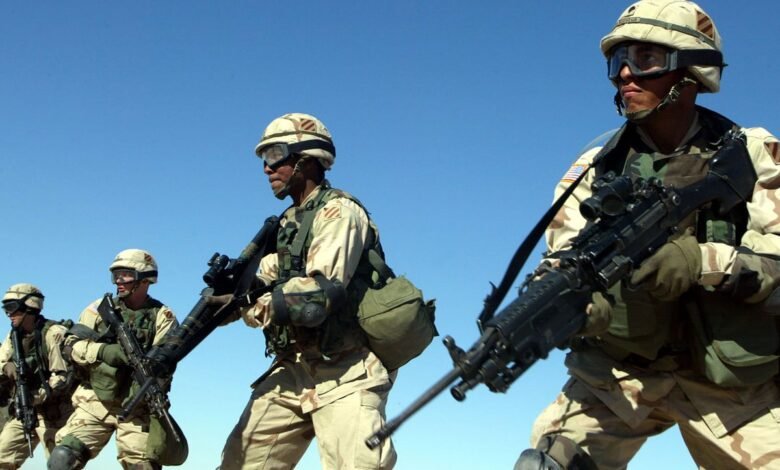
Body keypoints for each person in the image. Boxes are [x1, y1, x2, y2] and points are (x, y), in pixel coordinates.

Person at [516, 1, 780, 469]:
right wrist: (575, 307)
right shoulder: (594, 168)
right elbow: (563, 257)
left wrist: (702, 263)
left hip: (730, 382)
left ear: (691, 70)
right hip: (620, 373)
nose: (625, 74)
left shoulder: (753, 153)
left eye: (646, 59)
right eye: (618, 61)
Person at [218, 112, 397, 469]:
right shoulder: (289, 224)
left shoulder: (339, 213)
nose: (267, 169)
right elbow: (269, 274)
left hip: (346, 367)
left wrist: (250, 308)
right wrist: (229, 297)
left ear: (307, 159)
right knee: (239, 461)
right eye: (264, 159)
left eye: (274, 156)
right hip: (294, 366)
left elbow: (318, 296)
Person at [49, 249, 179, 470]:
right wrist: (102, 351)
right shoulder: (99, 309)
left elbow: (166, 362)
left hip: (136, 407)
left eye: (125, 275)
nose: (118, 281)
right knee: (62, 459)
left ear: (144, 279)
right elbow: (70, 346)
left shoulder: (162, 316)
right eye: (116, 275)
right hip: (95, 400)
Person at [0, 283, 75, 467]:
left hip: (56, 412)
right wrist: (6, 367)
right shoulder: (13, 335)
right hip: (24, 410)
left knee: (59, 464)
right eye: (5, 308)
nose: (8, 313)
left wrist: (36, 396)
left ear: (29, 307)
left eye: (12, 307)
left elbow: (62, 377)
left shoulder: (53, 333)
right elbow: (1, 361)